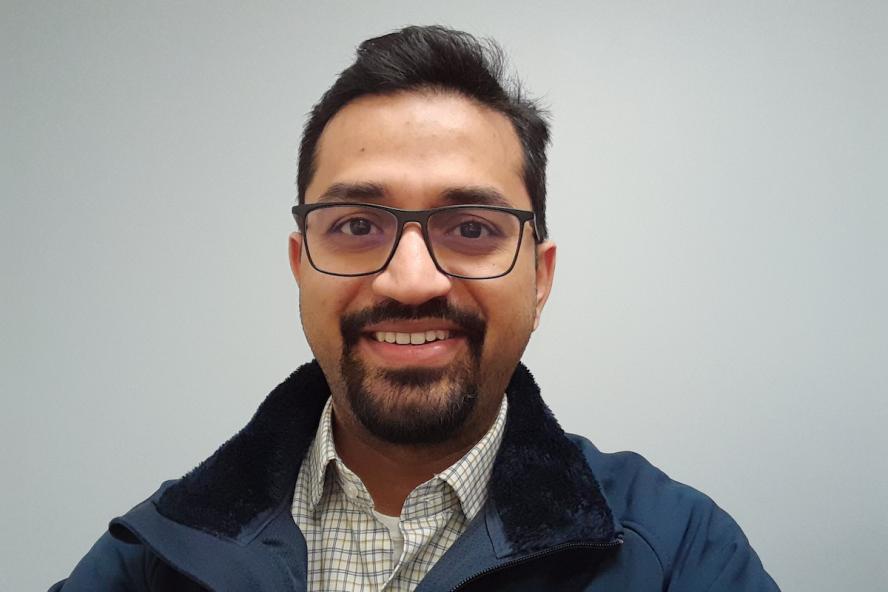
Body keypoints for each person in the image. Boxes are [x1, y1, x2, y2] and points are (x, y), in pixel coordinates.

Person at [51, 25, 779, 591]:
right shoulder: (158, 553)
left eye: (470, 230)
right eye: (357, 226)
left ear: (539, 278)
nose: (408, 281)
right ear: (301, 266)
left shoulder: (678, 553)